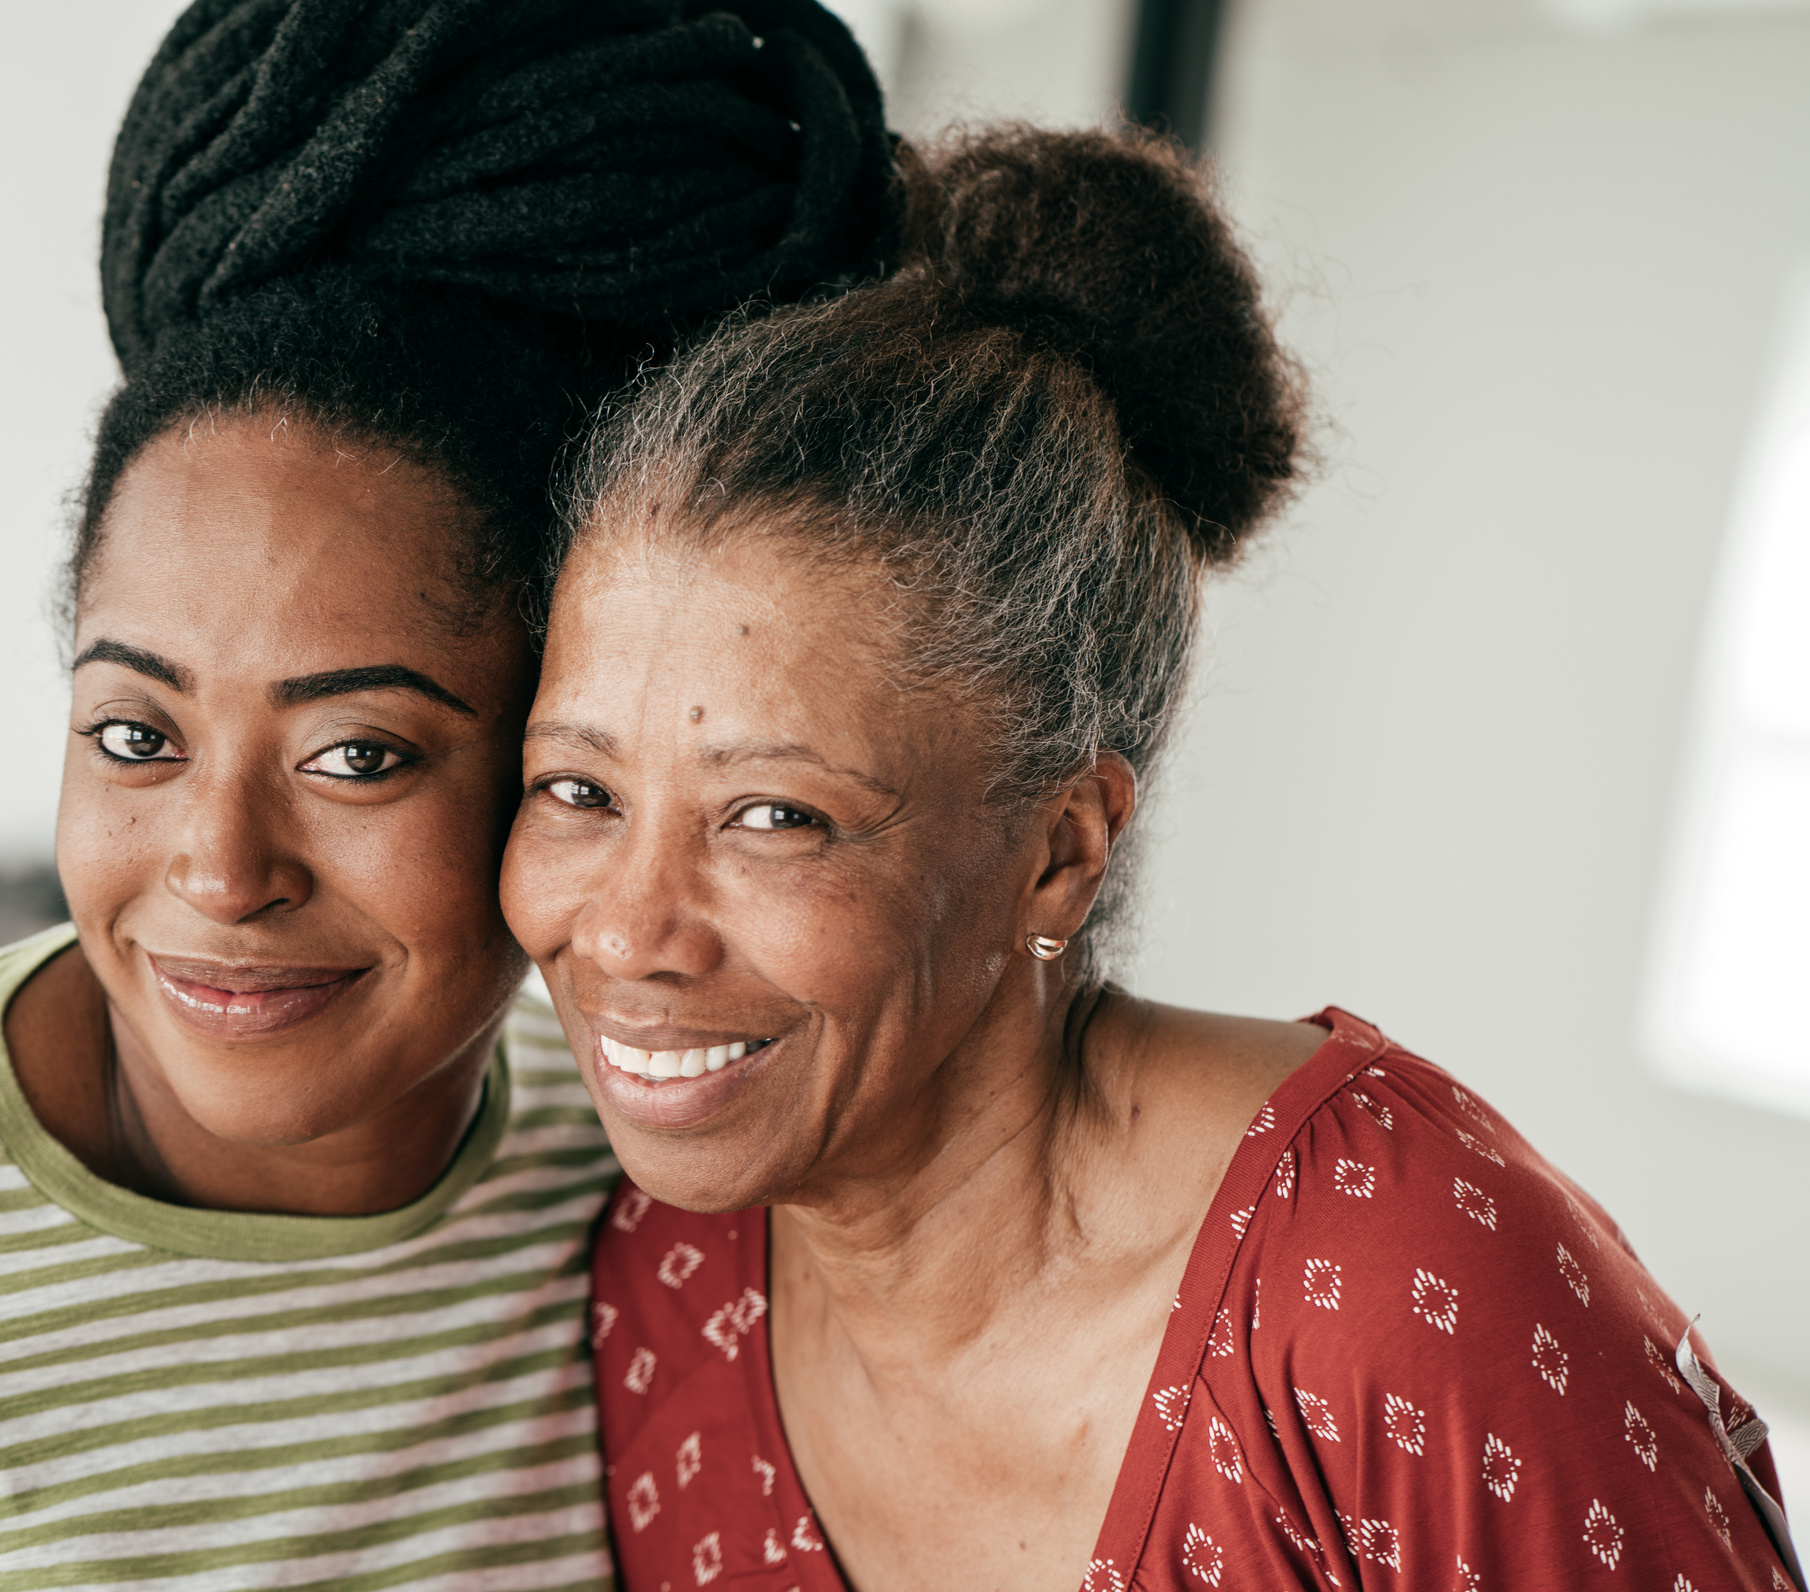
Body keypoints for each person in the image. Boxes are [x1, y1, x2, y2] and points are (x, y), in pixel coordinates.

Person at [0, 3, 892, 1587]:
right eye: (134, 734)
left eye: (357, 756)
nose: (216, 865)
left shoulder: (648, 1184)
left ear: (565, 769)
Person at [501, 125, 1801, 1591]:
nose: (625, 933)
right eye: (575, 788)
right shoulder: (651, 1284)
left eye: (772, 816)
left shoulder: (1399, 1295)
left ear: (1060, 852)